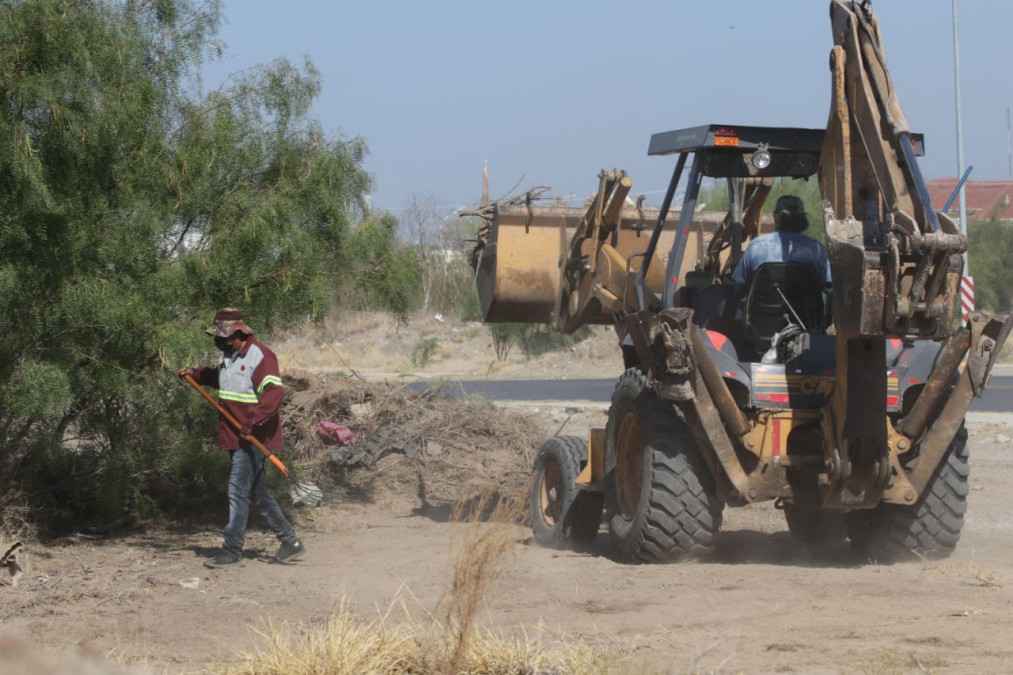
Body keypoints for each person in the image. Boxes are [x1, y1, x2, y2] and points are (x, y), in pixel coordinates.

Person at [178, 308, 305, 569]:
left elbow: (273, 395)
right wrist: (197, 374)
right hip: (236, 436)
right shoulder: (230, 356)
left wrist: (251, 422)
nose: (219, 340)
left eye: (223, 336)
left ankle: (233, 549)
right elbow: (221, 379)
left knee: (237, 489)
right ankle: (290, 543)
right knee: (259, 493)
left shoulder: (262, 356)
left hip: (253, 437)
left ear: (237, 333)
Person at [731, 195, 832, 292]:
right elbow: (830, 286)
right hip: (807, 310)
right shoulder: (816, 249)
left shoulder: (756, 246)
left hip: (763, 310)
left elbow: (738, 285)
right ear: (803, 219)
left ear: (775, 217)